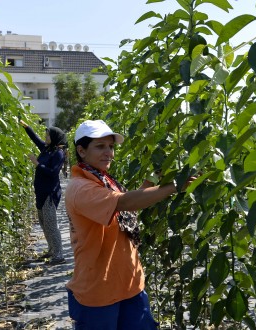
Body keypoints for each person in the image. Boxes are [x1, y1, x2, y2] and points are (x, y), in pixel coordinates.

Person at [65, 119, 194, 329]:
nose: (109, 153)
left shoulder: (104, 180)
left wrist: (152, 179)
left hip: (130, 284)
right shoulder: (81, 188)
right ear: (81, 150)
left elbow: (128, 206)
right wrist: (174, 187)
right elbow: (124, 202)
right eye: (100, 146)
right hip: (99, 291)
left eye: (111, 146)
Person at [20, 119, 68, 265]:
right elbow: (35, 139)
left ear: (54, 138)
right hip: (41, 192)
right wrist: (26, 126)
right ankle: (51, 250)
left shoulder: (58, 153)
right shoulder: (47, 149)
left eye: (47, 136)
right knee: (43, 223)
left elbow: (53, 173)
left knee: (51, 224)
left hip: (49, 193)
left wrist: (37, 164)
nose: (45, 138)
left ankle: (59, 255)